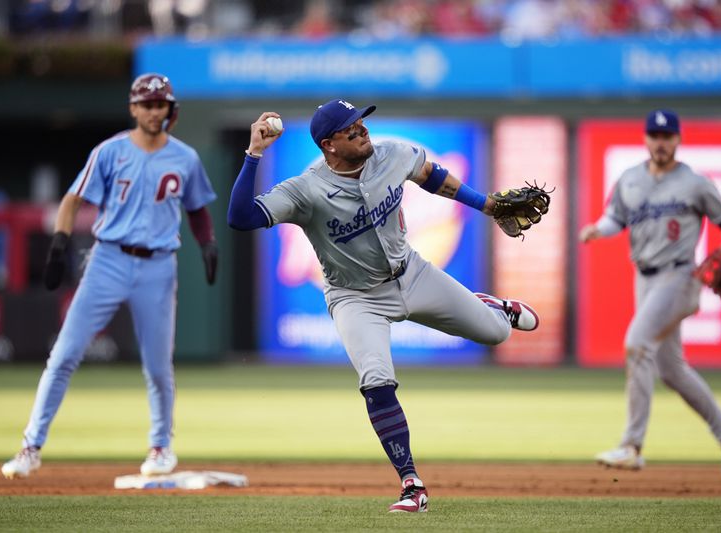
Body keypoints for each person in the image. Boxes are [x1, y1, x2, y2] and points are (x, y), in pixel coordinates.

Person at [228, 100, 541, 513]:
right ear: (329, 144)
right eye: (349, 128)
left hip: (411, 273)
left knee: (498, 331)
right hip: (355, 297)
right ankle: (412, 484)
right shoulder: (306, 190)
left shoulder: (391, 154)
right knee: (376, 379)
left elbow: (431, 177)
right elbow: (241, 217)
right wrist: (254, 155)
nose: (361, 129)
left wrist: (487, 205)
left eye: (361, 121)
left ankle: (487, 305)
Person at [1, 73, 218, 479]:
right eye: (147, 104)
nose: (155, 111)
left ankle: (160, 447)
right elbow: (71, 200)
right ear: (134, 108)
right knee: (63, 355)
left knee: (157, 365)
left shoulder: (185, 157)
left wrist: (206, 243)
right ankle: (30, 446)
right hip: (109, 259)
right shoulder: (110, 151)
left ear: (171, 109)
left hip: (158, 264)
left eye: (161, 104)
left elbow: (197, 208)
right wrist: (59, 244)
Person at [579, 109, 721, 482]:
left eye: (667, 136)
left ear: (678, 140)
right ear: (646, 139)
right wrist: (597, 230)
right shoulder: (630, 179)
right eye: (655, 135)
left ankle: (632, 446)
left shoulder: (694, 183)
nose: (661, 142)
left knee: (637, 345)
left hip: (681, 275)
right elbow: (615, 218)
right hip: (646, 278)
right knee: (671, 371)